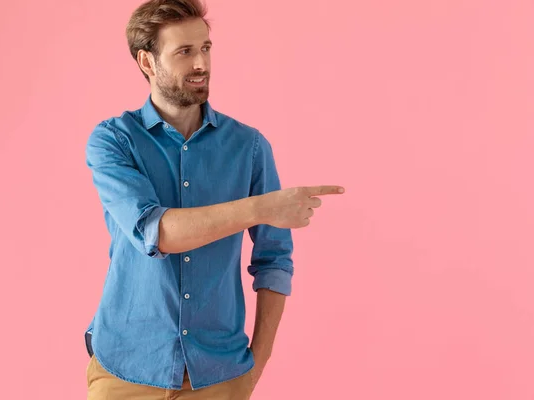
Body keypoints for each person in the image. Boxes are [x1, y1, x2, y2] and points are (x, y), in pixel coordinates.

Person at [83, 0, 345, 398]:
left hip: (220, 376)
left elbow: (274, 261)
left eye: (205, 48)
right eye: (184, 52)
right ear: (148, 62)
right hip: (126, 371)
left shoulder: (249, 147)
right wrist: (262, 207)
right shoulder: (114, 141)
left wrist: (256, 365)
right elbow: (157, 232)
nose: (201, 63)